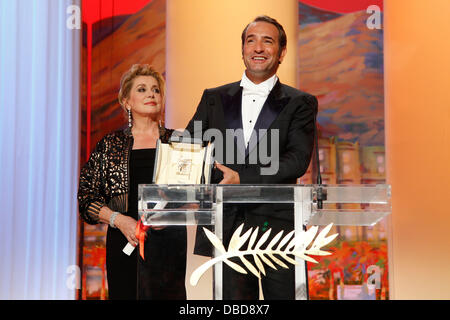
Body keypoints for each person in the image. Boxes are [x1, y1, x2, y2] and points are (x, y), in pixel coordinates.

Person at [186, 15, 318, 299]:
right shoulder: (214, 97)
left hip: (279, 226)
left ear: (281, 52)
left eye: (267, 41)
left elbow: (297, 161)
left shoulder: (300, 102)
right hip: (228, 224)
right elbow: (190, 148)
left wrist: (241, 178)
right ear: (243, 50)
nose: (258, 48)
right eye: (251, 40)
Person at [78, 64, 187, 300]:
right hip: (124, 241)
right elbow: (86, 199)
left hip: (169, 243)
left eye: (156, 90)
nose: (151, 94)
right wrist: (119, 220)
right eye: (142, 89)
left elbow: (195, 193)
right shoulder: (111, 145)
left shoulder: (178, 142)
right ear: (126, 102)